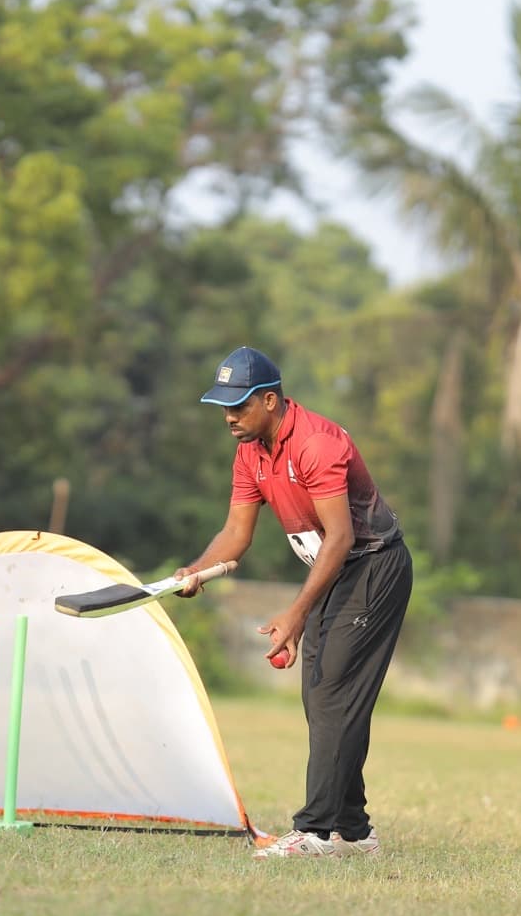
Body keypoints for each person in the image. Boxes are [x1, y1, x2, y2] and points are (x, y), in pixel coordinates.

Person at [175, 346, 414, 860]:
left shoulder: (316, 444)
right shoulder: (250, 451)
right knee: (323, 697)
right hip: (338, 570)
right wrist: (196, 572)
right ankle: (352, 831)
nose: (228, 417)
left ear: (269, 400)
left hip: (372, 566)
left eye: (238, 406)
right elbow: (236, 534)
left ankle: (317, 832)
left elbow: (342, 537)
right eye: (223, 406)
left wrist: (296, 612)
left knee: (332, 696)